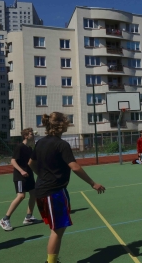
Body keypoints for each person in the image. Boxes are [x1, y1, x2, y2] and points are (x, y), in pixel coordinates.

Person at [28, 112, 105, 263]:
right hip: (53, 192)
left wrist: (41, 175)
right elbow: (75, 167)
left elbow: (31, 163)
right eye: (66, 122)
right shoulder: (62, 144)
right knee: (57, 231)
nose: (68, 124)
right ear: (61, 125)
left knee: (56, 229)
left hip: (44, 190)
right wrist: (93, 183)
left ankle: (53, 261)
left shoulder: (40, 142)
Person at [0, 128, 37, 231]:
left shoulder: (29, 148)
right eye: (31, 134)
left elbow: (31, 162)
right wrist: (21, 171)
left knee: (34, 193)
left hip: (29, 175)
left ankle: (28, 217)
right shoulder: (20, 147)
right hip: (20, 176)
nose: (33, 135)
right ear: (26, 136)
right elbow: (13, 161)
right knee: (21, 196)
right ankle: (5, 219)